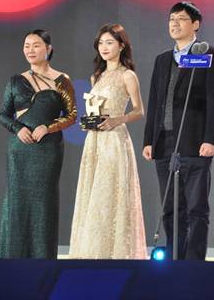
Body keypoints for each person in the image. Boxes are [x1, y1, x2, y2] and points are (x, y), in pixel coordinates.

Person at [142, 1, 214, 260]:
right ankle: (174, 260)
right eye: (171, 19)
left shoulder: (209, 55)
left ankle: (194, 263)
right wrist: (149, 140)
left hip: (194, 142)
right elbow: (155, 102)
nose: (174, 24)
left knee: (196, 209)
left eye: (181, 19)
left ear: (196, 24)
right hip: (164, 143)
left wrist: (211, 139)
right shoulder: (162, 60)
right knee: (170, 208)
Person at [69, 23, 147, 259]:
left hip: (114, 140)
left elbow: (139, 110)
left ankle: (115, 252)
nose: (104, 47)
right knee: (93, 194)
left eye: (110, 42)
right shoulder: (97, 76)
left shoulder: (128, 75)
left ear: (121, 46)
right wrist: (89, 122)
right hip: (94, 141)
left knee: (111, 192)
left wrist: (116, 120)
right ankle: (93, 250)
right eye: (101, 43)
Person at [0, 29, 77, 259]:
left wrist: (48, 127)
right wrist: (18, 128)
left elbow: (72, 115)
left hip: (48, 149)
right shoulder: (16, 81)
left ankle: (42, 259)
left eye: (36, 45)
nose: (30, 50)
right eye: (27, 46)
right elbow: (3, 114)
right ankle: (12, 257)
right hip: (20, 149)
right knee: (17, 202)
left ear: (48, 49)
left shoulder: (61, 80)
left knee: (43, 203)